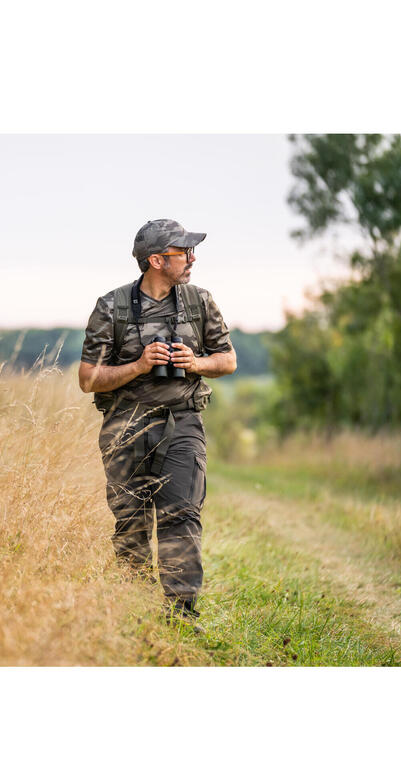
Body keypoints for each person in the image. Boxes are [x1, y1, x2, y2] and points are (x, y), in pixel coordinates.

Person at [78, 219, 236, 622]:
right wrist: (139, 365)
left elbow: (228, 360)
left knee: (181, 513)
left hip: (181, 423)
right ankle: (132, 608)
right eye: (184, 252)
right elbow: (88, 379)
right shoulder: (111, 306)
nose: (192, 258)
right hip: (123, 426)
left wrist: (195, 362)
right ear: (156, 260)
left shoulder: (200, 301)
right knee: (130, 520)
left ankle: (180, 613)